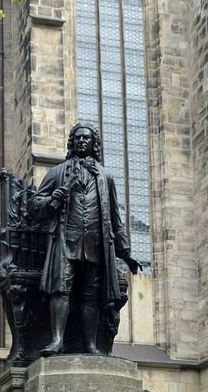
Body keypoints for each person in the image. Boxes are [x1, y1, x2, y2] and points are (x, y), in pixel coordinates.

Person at [28, 122, 141, 356]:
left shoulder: (105, 177)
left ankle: (90, 345)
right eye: (77, 138)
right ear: (72, 143)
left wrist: (126, 253)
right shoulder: (58, 173)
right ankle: (57, 340)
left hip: (95, 245)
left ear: (93, 144)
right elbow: (33, 206)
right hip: (65, 242)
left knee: (92, 295)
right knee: (61, 289)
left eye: (86, 138)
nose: (81, 141)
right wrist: (52, 201)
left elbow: (114, 218)